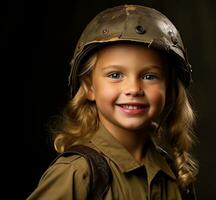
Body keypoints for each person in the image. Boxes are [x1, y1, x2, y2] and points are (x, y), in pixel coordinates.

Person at [27, 4, 198, 200]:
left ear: (170, 90)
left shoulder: (175, 176)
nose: (133, 89)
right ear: (90, 87)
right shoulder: (78, 173)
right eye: (115, 75)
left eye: (150, 76)